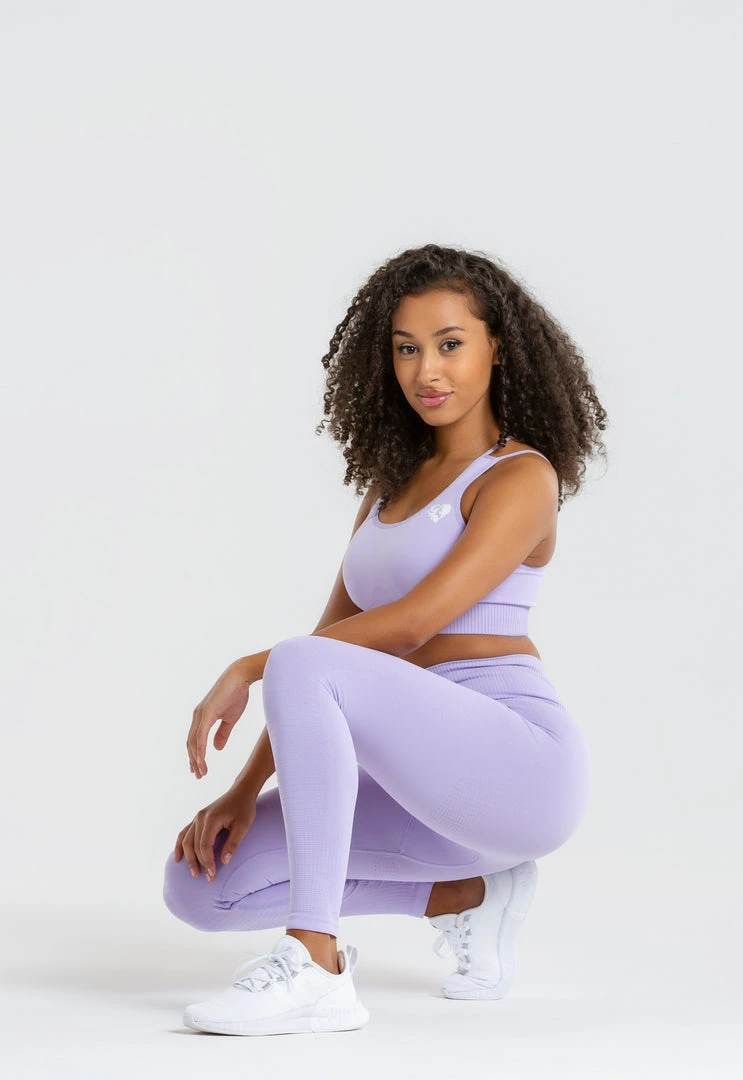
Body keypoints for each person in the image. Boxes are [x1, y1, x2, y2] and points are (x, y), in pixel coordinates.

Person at [162, 242, 608, 1036]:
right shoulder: (387, 489)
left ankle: (316, 965)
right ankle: (466, 894)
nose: (425, 371)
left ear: (497, 347)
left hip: (518, 771)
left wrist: (244, 667)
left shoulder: (520, 477)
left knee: (299, 661)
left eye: (449, 344)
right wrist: (242, 790)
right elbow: (329, 651)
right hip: (419, 791)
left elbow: (410, 623)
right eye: (406, 348)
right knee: (200, 886)